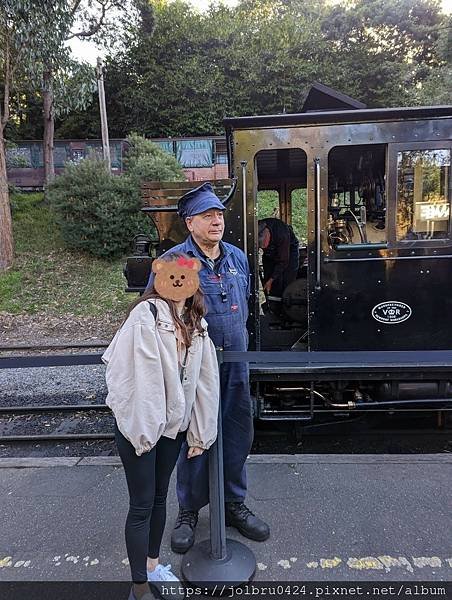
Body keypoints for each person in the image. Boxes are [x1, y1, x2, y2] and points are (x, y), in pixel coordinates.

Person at [146, 182, 270, 554]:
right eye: (207, 216)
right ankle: (188, 511)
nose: (217, 221)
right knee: (192, 437)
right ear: (190, 223)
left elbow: (249, 307)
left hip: (236, 363)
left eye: (218, 214)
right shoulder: (173, 263)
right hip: (193, 368)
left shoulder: (237, 258)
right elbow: (154, 317)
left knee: (236, 432)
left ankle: (232, 504)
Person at [103, 252, 219, 600]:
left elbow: (204, 380)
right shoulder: (145, 315)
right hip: (141, 429)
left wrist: (199, 431)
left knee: (158, 499)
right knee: (141, 504)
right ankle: (139, 587)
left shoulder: (196, 321)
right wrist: (144, 434)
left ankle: (153, 568)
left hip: (172, 429)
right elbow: (136, 380)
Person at [258, 218, 299, 297]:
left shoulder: (282, 235)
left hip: (290, 248)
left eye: (264, 245)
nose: (263, 247)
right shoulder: (256, 228)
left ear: (268, 234)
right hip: (271, 251)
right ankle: (271, 299)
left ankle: (287, 299)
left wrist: (271, 280)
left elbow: (283, 261)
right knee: (269, 274)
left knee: (288, 277)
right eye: (261, 247)